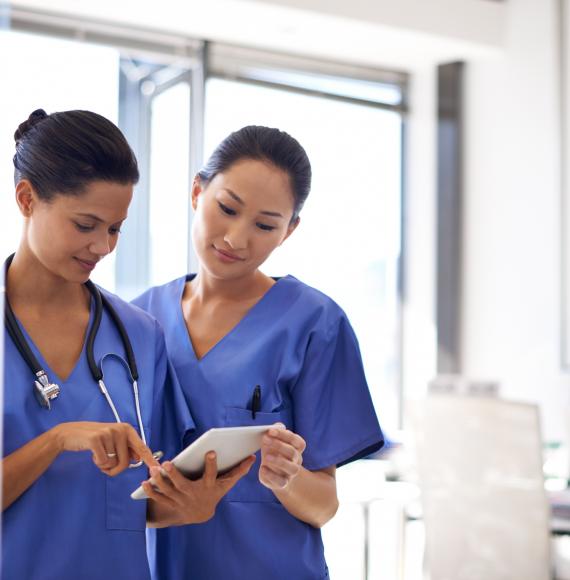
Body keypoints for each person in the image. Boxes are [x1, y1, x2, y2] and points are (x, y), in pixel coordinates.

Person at [2, 109, 254, 580]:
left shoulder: (138, 334)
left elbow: (135, 505)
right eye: (85, 225)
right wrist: (57, 439)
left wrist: (188, 506)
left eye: (114, 228)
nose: (102, 246)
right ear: (27, 198)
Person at [134, 125, 384, 579]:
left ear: (289, 231)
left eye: (265, 225)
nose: (235, 238)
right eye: (227, 208)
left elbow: (324, 505)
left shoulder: (314, 324)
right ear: (197, 191)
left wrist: (287, 477)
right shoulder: (138, 321)